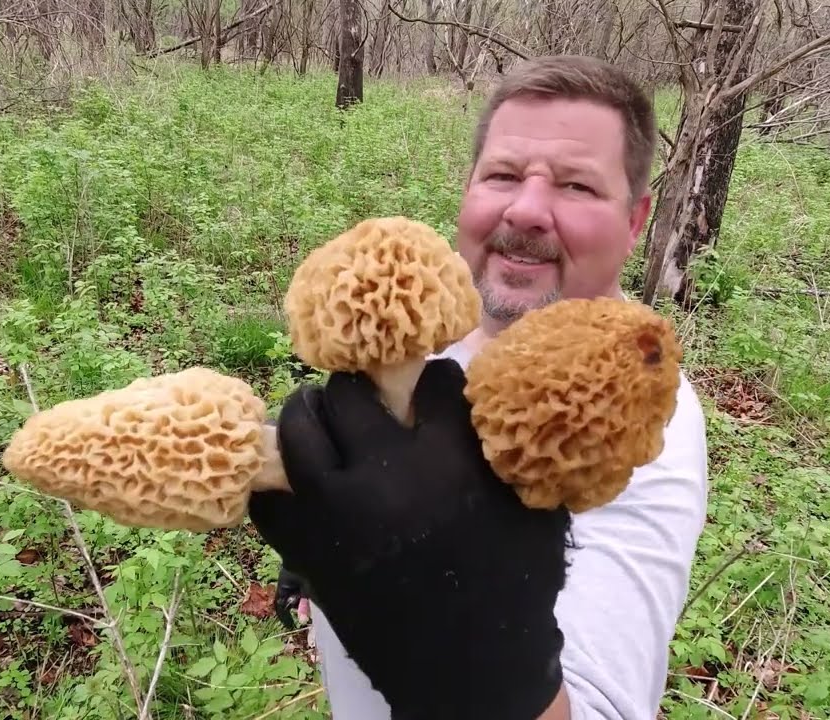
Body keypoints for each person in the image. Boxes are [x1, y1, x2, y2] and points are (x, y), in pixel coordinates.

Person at [249, 55, 710, 720]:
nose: (526, 209)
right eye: (503, 175)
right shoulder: (419, 340)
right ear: (467, 189)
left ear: (635, 222)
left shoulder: (635, 420)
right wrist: (323, 562)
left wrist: (476, 651)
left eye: (576, 186)